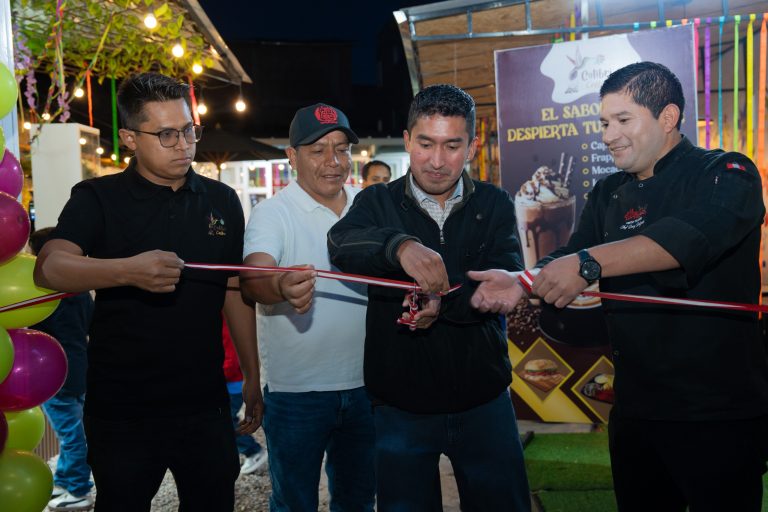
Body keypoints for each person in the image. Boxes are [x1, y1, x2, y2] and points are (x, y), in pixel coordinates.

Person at [470, 62, 768, 512]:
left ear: (667, 118)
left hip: (717, 411)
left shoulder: (725, 172)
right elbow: (569, 254)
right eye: (604, 122)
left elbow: (684, 242)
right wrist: (520, 282)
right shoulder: (609, 192)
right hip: (635, 408)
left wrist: (587, 263)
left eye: (622, 120)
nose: (608, 135)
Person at [33, 72, 261, 512]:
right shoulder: (97, 198)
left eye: (190, 130)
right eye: (167, 134)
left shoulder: (222, 200)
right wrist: (125, 271)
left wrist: (251, 375)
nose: (184, 145)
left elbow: (233, 289)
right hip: (123, 407)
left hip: (205, 402)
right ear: (130, 138)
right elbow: (49, 268)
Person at [328, 84, 531, 511]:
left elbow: (499, 282)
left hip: (483, 402)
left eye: (452, 145)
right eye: (425, 144)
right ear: (406, 140)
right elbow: (341, 244)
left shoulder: (493, 203)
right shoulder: (377, 201)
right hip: (401, 407)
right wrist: (398, 247)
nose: (437, 161)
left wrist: (442, 300)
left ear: (472, 146)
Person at [240, 103, 375, 511]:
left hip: (367, 386)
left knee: (358, 501)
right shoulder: (272, 213)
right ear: (292, 156)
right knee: (294, 502)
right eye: (317, 150)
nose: (333, 162)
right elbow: (253, 276)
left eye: (340, 149)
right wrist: (280, 283)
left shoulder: (368, 207)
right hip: (298, 393)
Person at [28, 228, 95, 512]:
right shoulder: (77, 290)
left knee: (71, 434)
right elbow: (91, 325)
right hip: (79, 367)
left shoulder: (42, 296)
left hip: (55, 375)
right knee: (75, 429)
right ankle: (68, 479)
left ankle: (80, 489)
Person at [221, 317, 267, 475]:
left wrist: (223, 372)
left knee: (225, 421)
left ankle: (253, 451)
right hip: (230, 379)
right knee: (226, 420)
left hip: (232, 381)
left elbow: (232, 352)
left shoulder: (228, 317)